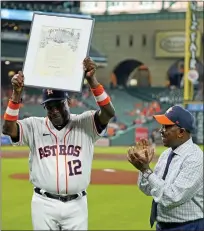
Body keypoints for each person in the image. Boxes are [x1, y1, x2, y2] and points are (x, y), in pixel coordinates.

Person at [2, 57, 115, 230]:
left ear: (68, 102)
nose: (54, 111)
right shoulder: (34, 125)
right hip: (43, 203)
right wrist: (16, 94)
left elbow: (108, 112)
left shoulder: (85, 123)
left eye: (58, 105)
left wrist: (92, 80)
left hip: (77, 204)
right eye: (49, 107)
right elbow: (8, 129)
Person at [127, 105, 204, 231]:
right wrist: (143, 168)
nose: (161, 130)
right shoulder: (166, 154)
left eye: (167, 126)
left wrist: (146, 171)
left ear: (181, 132)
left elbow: (172, 197)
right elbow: (147, 189)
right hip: (164, 225)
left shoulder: (195, 158)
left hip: (188, 226)